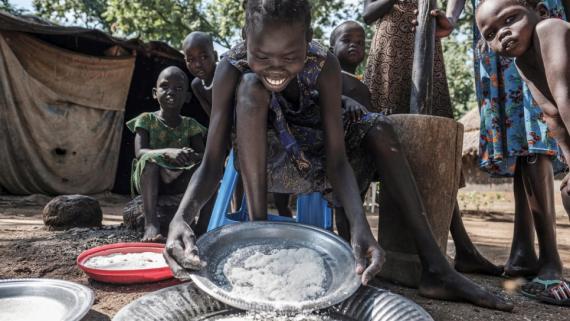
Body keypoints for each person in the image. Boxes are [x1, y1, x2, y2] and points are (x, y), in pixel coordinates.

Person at [164, 0, 512, 311]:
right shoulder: (230, 67)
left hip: (316, 160)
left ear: (308, 38)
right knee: (252, 88)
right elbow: (212, 161)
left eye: (289, 56)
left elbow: (337, 159)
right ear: (245, 37)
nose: (275, 68)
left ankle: (435, 266)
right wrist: (182, 216)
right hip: (265, 160)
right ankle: (259, 233)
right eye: (262, 56)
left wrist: (360, 226)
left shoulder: (324, 64)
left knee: (378, 128)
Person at [363, 3, 504, 276]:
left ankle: (464, 249)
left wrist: (449, 17)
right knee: (380, 142)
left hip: (426, 43)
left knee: (435, 144)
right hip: (390, 48)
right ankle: (363, 248)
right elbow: (368, 13)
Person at [475, 0, 570, 304]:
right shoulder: (521, 64)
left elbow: (566, 99)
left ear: (540, 11)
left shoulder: (549, 29)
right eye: (490, 34)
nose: (501, 34)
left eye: (510, 20)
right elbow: (553, 117)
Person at [182, 31, 293, 217]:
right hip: (231, 135)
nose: (198, 64)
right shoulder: (197, 85)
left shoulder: (228, 74)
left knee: (273, 185)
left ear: (215, 56)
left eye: (204, 56)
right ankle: (239, 215)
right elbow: (215, 116)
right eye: (190, 59)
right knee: (235, 168)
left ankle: (284, 214)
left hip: (256, 131)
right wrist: (224, 147)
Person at [126, 66, 209, 242]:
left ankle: (203, 228)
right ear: (155, 93)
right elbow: (140, 153)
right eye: (165, 86)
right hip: (151, 179)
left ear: (187, 97)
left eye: (178, 89)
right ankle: (151, 224)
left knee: (210, 172)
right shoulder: (146, 120)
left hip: (179, 181)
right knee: (149, 163)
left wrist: (189, 154)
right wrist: (167, 153)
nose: (171, 92)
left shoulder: (191, 125)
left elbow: (203, 156)